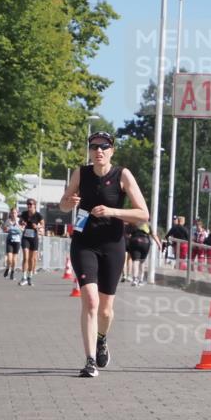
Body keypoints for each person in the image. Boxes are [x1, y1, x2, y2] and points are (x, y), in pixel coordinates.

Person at [60, 131, 149, 377]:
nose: (98, 151)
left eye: (104, 147)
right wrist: (69, 201)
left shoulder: (122, 175)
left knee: (106, 310)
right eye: (94, 146)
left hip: (112, 245)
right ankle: (89, 360)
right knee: (90, 300)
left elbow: (143, 214)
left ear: (112, 150)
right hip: (84, 242)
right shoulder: (82, 173)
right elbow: (63, 204)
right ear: (89, 150)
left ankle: (101, 339)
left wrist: (112, 211)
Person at [19, 199, 44, 286]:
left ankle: (29, 277)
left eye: (30, 204)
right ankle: (24, 277)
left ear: (34, 205)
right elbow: (20, 221)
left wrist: (37, 226)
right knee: (25, 257)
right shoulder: (24, 213)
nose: (28, 206)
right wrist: (22, 222)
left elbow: (42, 225)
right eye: (27, 204)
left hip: (34, 238)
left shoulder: (38, 215)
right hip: (26, 237)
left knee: (31, 259)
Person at [127, 222, 161, 286]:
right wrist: (159, 244)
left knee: (135, 261)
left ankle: (135, 279)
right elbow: (153, 235)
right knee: (142, 261)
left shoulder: (133, 222)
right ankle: (141, 280)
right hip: (145, 242)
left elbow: (127, 234)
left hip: (135, 241)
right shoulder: (148, 224)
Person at [3, 213, 22, 279]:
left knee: (14, 259)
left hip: (17, 241)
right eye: (12, 213)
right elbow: (4, 229)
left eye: (15, 213)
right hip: (10, 240)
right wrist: (7, 229)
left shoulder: (19, 220)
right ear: (11, 214)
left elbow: (22, 229)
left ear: (17, 214)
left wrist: (18, 227)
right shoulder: (8, 221)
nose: (14, 214)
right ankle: (8, 268)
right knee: (10, 259)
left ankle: (12, 272)